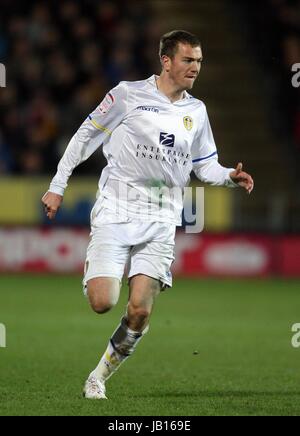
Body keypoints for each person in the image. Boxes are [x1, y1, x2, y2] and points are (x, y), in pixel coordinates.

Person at [42, 30, 254, 400]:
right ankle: (100, 270)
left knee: (139, 311)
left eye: (199, 61)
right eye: (188, 60)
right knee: (102, 302)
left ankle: (98, 376)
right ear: (166, 61)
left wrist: (231, 178)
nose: (195, 68)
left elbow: (205, 167)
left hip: (161, 220)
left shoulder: (196, 111)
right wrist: (58, 185)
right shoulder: (127, 94)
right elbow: (85, 135)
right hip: (116, 210)